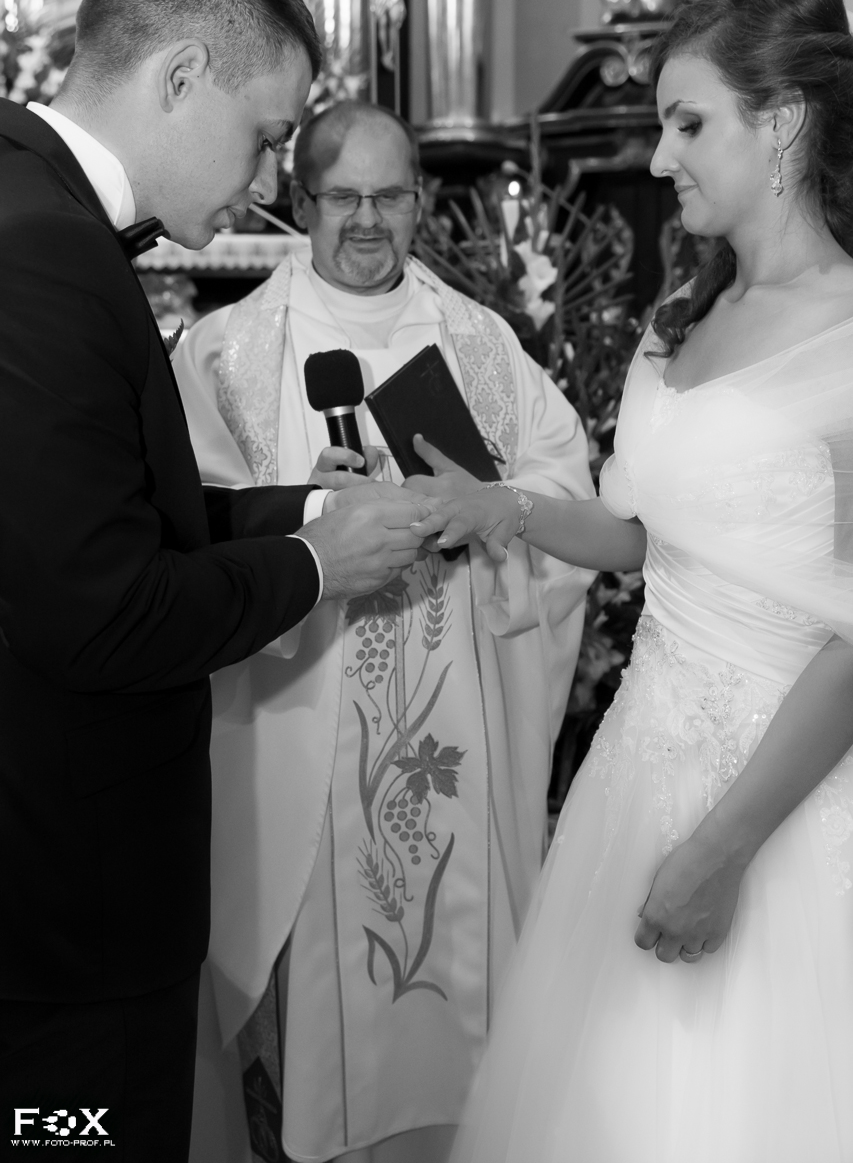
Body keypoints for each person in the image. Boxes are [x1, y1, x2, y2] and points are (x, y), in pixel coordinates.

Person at [411, 0, 853, 1163]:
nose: (658, 158)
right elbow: (647, 539)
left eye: (687, 123)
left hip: (779, 803)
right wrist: (500, 504)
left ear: (782, 122)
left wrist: (719, 848)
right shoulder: (682, 316)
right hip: (635, 773)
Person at [0, 0, 428, 1161]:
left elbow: (97, 509)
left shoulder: (32, 207)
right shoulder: (41, 250)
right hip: (62, 913)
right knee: (73, 1140)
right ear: (181, 74)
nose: (266, 179)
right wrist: (319, 569)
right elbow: (103, 613)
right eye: (266, 135)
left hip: (53, 884)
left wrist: (303, 513)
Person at [172, 100, 596, 1163]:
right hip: (302, 733)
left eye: (391, 196)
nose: (368, 220)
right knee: (321, 1001)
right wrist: (297, 506)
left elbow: (566, 495)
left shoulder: (481, 344)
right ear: (300, 202)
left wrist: (490, 510)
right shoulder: (227, 353)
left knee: (457, 993)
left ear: (420, 200)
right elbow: (186, 529)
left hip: (464, 727)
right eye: (343, 197)